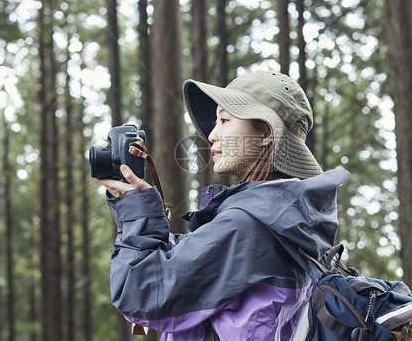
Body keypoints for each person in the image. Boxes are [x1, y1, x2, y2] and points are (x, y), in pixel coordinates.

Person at [98, 70, 350, 340]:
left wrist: (138, 214)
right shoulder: (288, 218)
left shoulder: (249, 225)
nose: (212, 135)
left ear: (266, 133)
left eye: (225, 120)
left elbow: (141, 294)